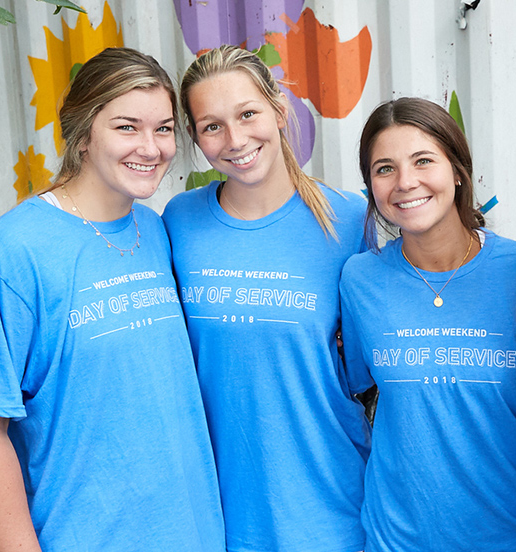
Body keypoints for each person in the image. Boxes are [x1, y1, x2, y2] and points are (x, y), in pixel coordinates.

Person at [0, 48, 223, 552]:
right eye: (126, 127)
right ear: (81, 134)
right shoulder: (8, 255)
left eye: (163, 129)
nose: (151, 147)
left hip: (193, 530)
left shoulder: (156, 231)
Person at [164, 45, 370, 552]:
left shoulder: (347, 219)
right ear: (195, 137)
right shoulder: (178, 221)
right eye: (211, 126)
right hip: (217, 508)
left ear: (279, 111)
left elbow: (373, 365)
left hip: (328, 504)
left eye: (248, 113)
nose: (235, 139)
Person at [339, 97, 516, 552]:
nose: (405, 182)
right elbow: (358, 392)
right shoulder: (360, 279)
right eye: (384, 168)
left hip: (515, 538)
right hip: (397, 539)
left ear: (457, 170)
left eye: (423, 161)